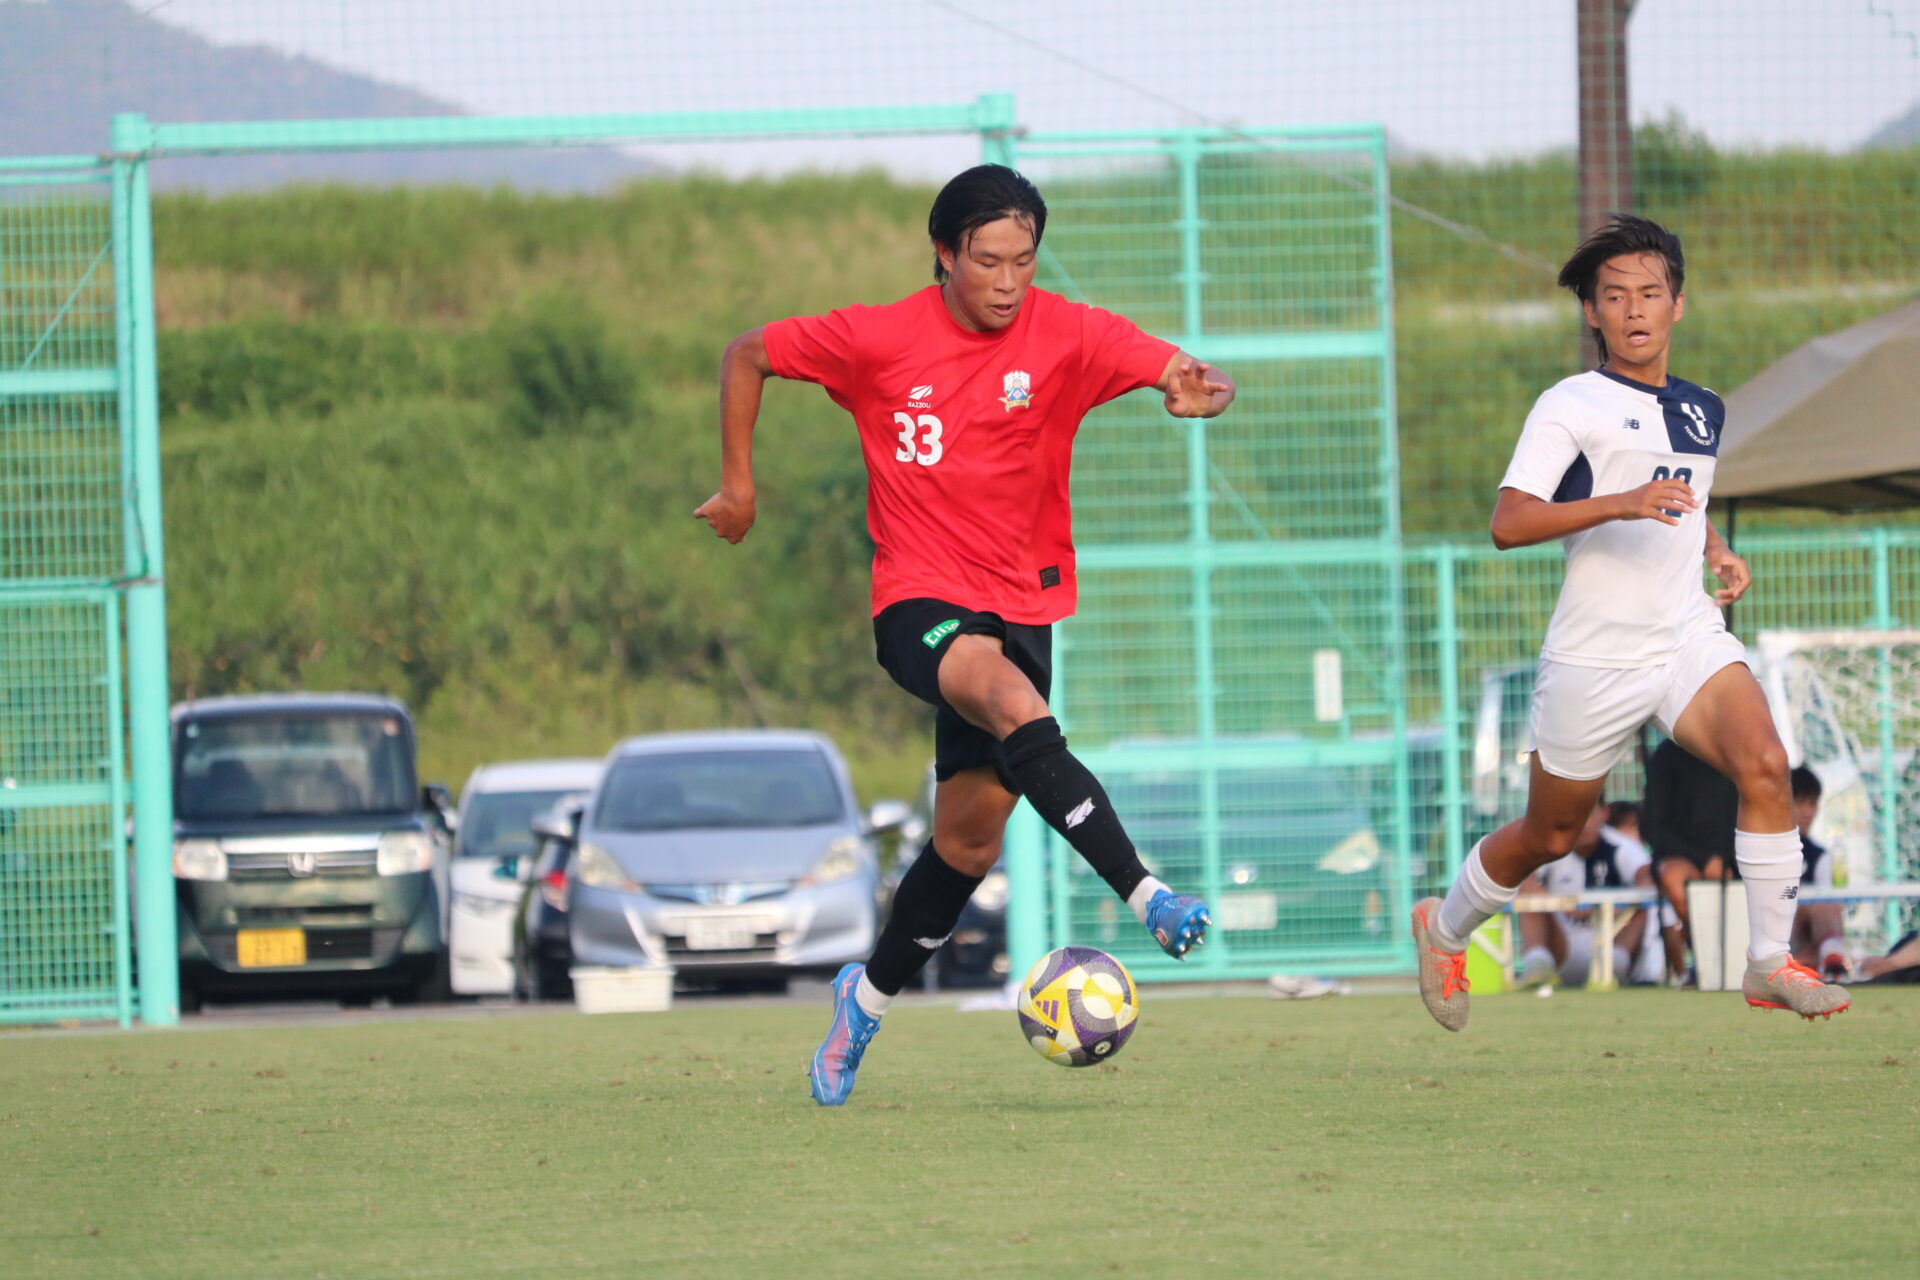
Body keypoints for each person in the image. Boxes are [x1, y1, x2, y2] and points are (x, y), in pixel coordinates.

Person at [695, 164, 1234, 1105]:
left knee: (967, 846)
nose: (1008, 281)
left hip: (1024, 605)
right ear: (945, 254)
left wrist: (1203, 391)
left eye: (1024, 261)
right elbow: (748, 354)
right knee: (1006, 696)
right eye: (987, 261)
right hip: (919, 600)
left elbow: (1183, 372)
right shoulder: (876, 337)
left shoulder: (1071, 333)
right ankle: (1148, 895)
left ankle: (861, 1002)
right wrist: (739, 486)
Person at [1408, 214, 1849, 1030]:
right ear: (1592, 312)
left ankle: (1766, 962)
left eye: (1650, 292)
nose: (1634, 308)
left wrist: (1715, 548)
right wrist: (1620, 502)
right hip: (1596, 653)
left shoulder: (1704, 408)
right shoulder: (1570, 404)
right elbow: (1509, 521)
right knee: (1549, 834)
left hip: (1683, 635)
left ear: (1678, 304)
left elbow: (1684, 495)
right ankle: (1442, 929)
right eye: (1614, 296)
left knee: (1766, 763)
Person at [1514, 797, 1656, 988]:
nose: (1583, 824)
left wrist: (1610, 910)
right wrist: (1565, 906)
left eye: (1588, 813)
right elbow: (1524, 879)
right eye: (1574, 816)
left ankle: (1615, 965)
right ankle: (1538, 963)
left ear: (1603, 813)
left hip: (1611, 941)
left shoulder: (1621, 846)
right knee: (1529, 899)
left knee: (1642, 906)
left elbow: (1647, 878)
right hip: (1561, 946)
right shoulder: (1550, 846)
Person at [1641, 734, 1741, 980]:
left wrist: (1723, 857)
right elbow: (1652, 825)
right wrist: (1704, 859)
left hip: (1728, 855)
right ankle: (1704, 955)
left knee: (1725, 878)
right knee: (1674, 879)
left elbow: (1739, 819)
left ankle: (1731, 960)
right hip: (1677, 854)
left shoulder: (1732, 753)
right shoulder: (1666, 756)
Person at [1786, 765, 1849, 980]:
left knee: (1823, 902)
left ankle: (1830, 958)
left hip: (1803, 938)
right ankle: (1827, 955)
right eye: (1799, 803)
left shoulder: (1819, 856)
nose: (1807, 812)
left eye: (1812, 804)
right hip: (1771, 932)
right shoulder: (1762, 848)